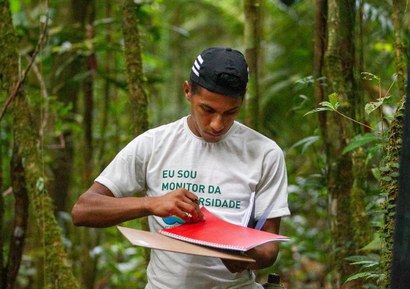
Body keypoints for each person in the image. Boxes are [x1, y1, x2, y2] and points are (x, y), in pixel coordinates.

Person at [72, 46, 290, 289]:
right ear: (188, 91)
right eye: (207, 109)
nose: (217, 124)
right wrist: (151, 204)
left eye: (230, 112)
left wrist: (247, 257)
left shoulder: (265, 153)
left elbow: (270, 248)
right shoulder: (154, 144)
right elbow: (83, 209)